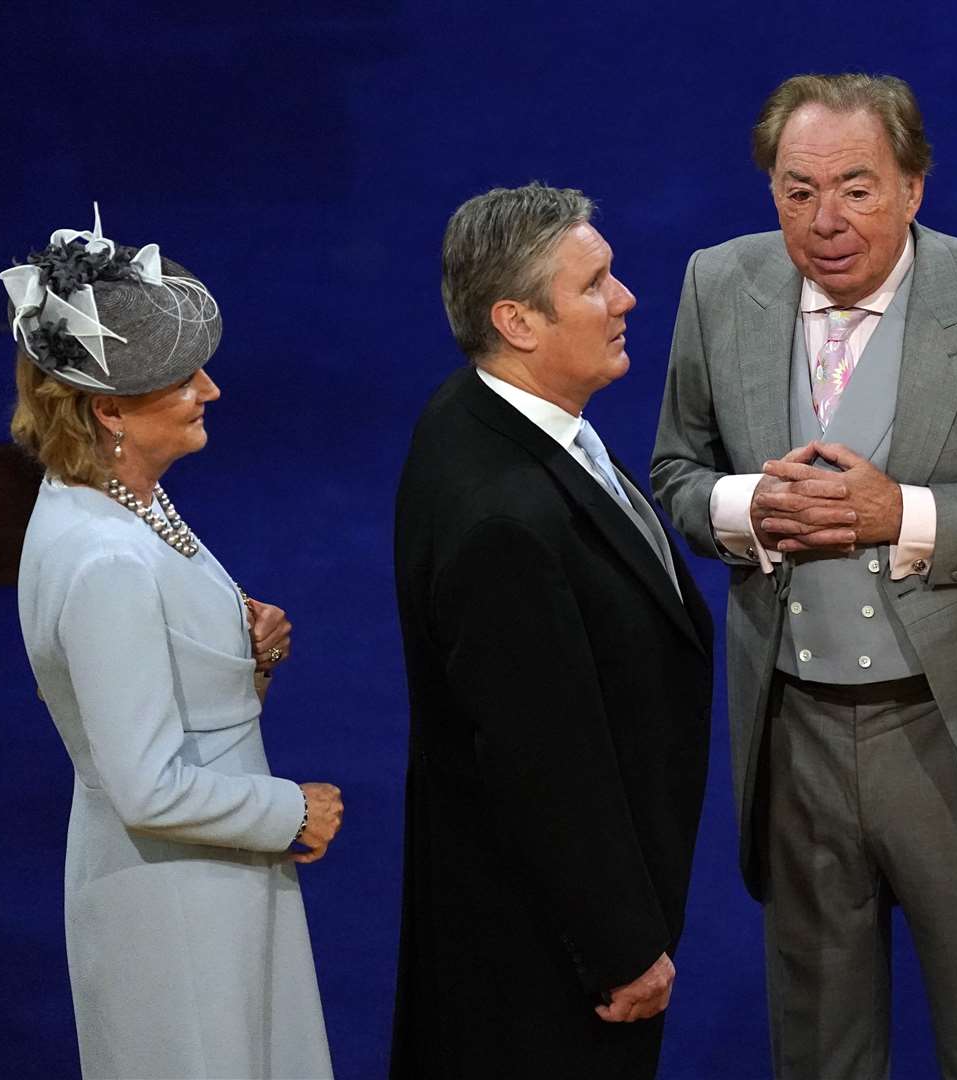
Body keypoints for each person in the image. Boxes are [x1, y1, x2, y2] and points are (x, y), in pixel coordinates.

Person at [651, 74, 957, 1080]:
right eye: (797, 189)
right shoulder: (718, 285)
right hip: (796, 738)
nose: (825, 221)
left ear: (913, 186)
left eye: (857, 188)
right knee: (819, 1050)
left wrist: (901, 513)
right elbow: (676, 473)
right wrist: (743, 510)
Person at [7, 208, 343, 1079]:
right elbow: (148, 786)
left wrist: (248, 660)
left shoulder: (122, 503)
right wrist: (292, 811)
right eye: (182, 377)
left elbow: (164, 705)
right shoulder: (105, 558)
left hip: (209, 878)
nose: (210, 390)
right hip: (176, 900)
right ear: (110, 407)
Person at [391, 183, 713, 1079]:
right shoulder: (504, 519)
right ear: (518, 322)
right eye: (596, 284)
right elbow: (543, 755)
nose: (626, 299)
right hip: (548, 956)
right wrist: (621, 945)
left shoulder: (477, 413)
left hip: (516, 920)